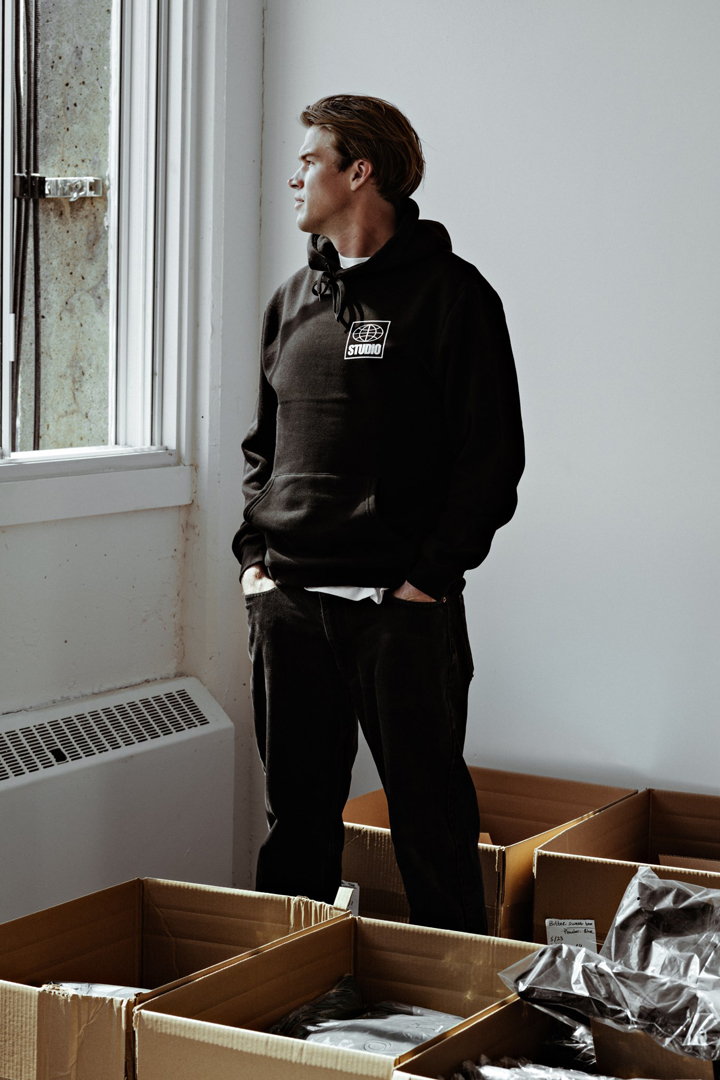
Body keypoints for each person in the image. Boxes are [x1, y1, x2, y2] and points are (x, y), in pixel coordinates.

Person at [233, 94, 524, 934]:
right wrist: (254, 562)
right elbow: (263, 448)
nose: (295, 176)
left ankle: (459, 1004)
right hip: (289, 610)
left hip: (401, 617)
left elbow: (491, 457)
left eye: (310, 160)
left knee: (432, 827)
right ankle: (286, 999)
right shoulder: (291, 302)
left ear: (360, 172)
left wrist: (427, 581)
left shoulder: (453, 297)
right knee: (296, 827)